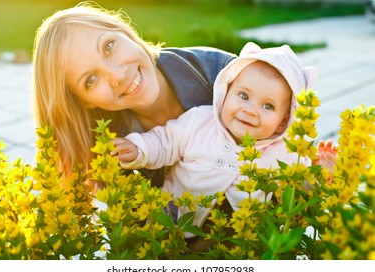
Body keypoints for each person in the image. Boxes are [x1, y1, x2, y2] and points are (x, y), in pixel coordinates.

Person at [112, 42, 319, 234]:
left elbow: (299, 188)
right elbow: (164, 142)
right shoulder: (200, 121)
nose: (250, 111)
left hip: (238, 239)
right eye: (244, 96)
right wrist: (138, 149)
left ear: (284, 121)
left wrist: (321, 173)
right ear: (226, 91)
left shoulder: (284, 152)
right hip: (174, 223)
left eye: (268, 106)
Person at [31, 2, 236, 185]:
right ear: (85, 102)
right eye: (90, 80)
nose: (117, 75)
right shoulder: (112, 155)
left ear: (124, 32)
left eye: (108, 46)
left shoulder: (222, 72)